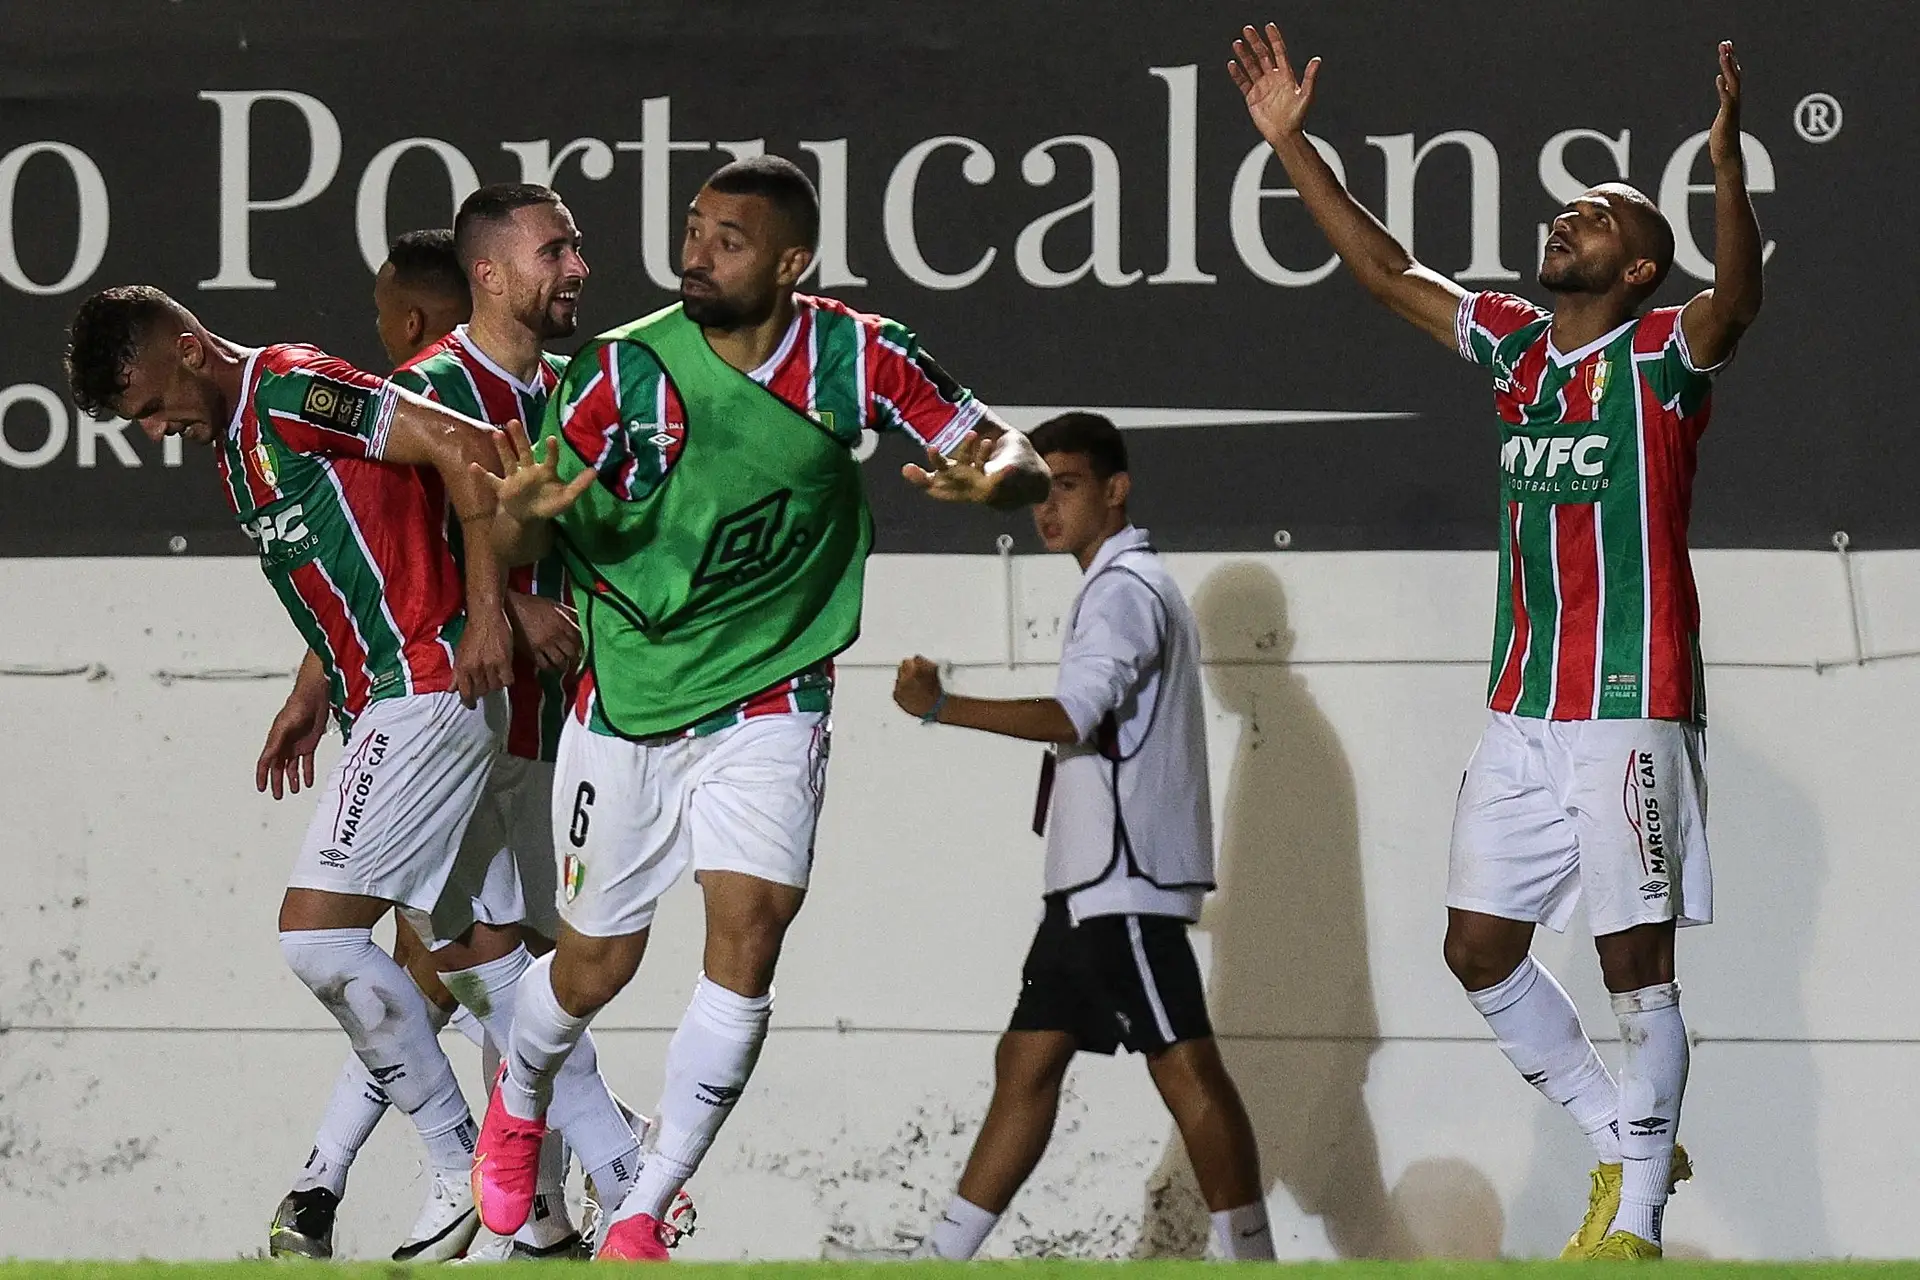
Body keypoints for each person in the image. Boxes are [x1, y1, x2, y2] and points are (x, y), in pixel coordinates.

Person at [1228, 23, 1763, 1260]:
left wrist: (1725, 168)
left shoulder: (1661, 356)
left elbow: (1737, 300)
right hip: (1522, 707)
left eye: (1596, 218)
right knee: (1476, 948)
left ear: (1640, 269)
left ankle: (1634, 1219)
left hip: (1631, 699)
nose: (1566, 223)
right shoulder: (1519, 348)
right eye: (1566, 212)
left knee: (1639, 971)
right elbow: (1385, 268)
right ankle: (1626, 1131)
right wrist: (1292, 145)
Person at [468, 154, 1051, 1261]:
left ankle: (643, 1204)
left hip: (774, 691)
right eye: (691, 229)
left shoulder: (858, 354)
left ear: (793, 263)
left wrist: (1001, 479)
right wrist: (520, 521)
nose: (696, 252)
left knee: (751, 931)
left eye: (726, 239)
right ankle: (524, 1087)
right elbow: (521, 529)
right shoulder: (623, 368)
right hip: (633, 694)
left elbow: (1001, 446)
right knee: (595, 965)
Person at [65, 284, 519, 1261]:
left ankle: (460, 1161)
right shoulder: (238, 441)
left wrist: (493, 614)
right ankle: (622, 1170)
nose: (152, 431)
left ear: (188, 349)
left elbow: (467, 449)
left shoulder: (288, 391)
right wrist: (312, 690)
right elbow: (361, 554)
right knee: (488, 965)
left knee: (318, 937)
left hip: (427, 682)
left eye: (148, 405)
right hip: (385, 698)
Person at [856, 411, 1273, 1262]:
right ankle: (939, 1257)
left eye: (1069, 486)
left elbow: (1071, 716)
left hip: (1121, 884)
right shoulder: (1120, 585)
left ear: (1116, 492)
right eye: (1039, 489)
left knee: (1186, 1069)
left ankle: (1254, 1259)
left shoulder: (1124, 590)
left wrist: (940, 706)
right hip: (1092, 885)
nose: (1048, 508)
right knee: (1028, 1063)